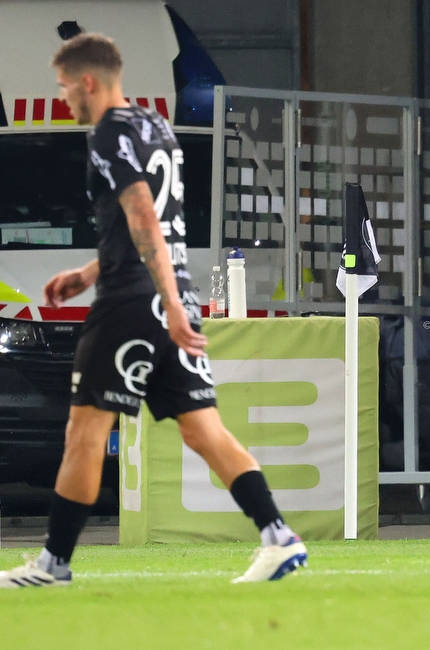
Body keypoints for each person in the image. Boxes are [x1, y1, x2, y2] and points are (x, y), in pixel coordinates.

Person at [0, 34, 306, 588]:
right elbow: (156, 221)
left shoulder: (108, 134)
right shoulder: (155, 127)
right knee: (203, 429)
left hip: (134, 303)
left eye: (64, 87)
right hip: (169, 292)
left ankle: (53, 564)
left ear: (87, 81)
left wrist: (157, 299)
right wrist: (93, 273)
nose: (63, 97)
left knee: (84, 430)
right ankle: (278, 536)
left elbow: (142, 212)